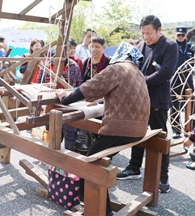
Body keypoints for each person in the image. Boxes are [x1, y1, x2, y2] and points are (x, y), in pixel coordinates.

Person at [55, 42, 149, 216]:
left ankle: (102, 211)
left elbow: (89, 87)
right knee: (94, 161)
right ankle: (88, 199)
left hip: (121, 129)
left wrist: (65, 99)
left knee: (90, 165)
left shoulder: (117, 69)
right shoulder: (137, 72)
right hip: (140, 129)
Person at [116, 15, 178, 194]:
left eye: (149, 33)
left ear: (159, 30)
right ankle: (134, 168)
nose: (145, 37)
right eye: (143, 33)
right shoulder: (140, 46)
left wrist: (140, 82)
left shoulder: (170, 46)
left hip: (158, 100)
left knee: (160, 139)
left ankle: (162, 176)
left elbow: (166, 72)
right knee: (137, 133)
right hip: (138, 99)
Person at [170, 26, 195, 138]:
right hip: (176, 78)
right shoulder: (171, 46)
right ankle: (176, 130)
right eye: (178, 35)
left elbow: (193, 61)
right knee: (175, 104)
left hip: (188, 78)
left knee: (192, 103)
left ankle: (194, 127)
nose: (180, 37)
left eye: (183, 35)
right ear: (175, 35)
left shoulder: (190, 47)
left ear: (186, 35)